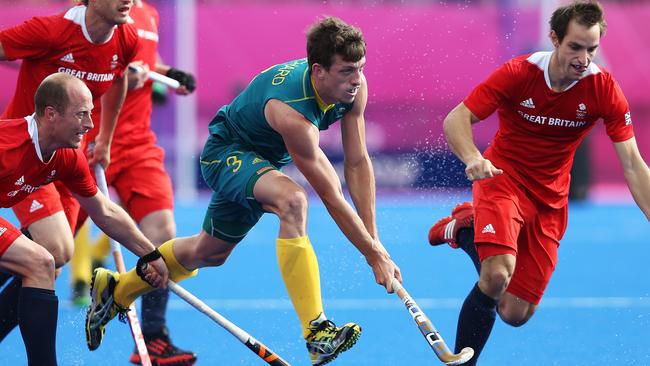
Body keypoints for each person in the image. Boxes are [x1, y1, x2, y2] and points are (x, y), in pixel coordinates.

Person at [86, 16, 402, 366]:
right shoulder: (291, 113)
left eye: (359, 68)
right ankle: (316, 332)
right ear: (319, 71)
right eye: (346, 71)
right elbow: (330, 195)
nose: (356, 79)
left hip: (260, 163)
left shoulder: (353, 88)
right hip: (226, 154)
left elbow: (357, 162)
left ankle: (115, 290)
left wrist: (375, 243)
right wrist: (373, 255)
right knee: (293, 201)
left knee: (210, 252)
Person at [427, 2, 650, 365]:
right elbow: (458, 118)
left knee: (515, 313)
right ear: (555, 39)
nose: (583, 58)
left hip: (550, 200)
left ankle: (467, 230)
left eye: (591, 49)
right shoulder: (520, 73)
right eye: (575, 47)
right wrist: (473, 158)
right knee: (496, 275)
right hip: (502, 180)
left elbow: (634, 165)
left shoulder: (603, 89)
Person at [0, 72, 168, 366]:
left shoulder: (66, 156)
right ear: (51, 115)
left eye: (90, 114)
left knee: (44, 262)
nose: (90, 125)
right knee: (39, 262)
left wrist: (150, 253)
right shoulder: (7, 146)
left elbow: (103, 211)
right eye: (81, 115)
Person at [0, 0, 139, 340]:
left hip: (67, 162)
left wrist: (104, 138)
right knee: (55, 251)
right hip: (27, 155)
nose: (129, 0)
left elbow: (118, 78)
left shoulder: (126, 38)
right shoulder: (50, 31)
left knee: (47, 262)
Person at [68, 0, 198, 364]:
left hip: (138, 143)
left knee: (163, 231)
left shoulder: (149, 14)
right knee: (52, 247)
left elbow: (141, 61)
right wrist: (120, 76)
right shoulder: (89, 11)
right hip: (88, 139)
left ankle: (155, 338)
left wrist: (168, 71)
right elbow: (81, 65)